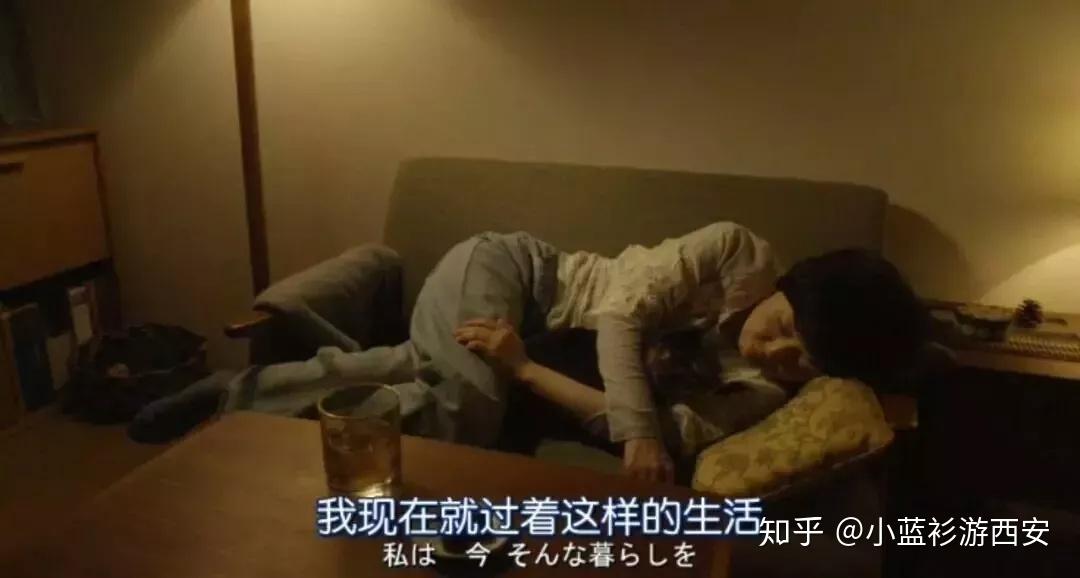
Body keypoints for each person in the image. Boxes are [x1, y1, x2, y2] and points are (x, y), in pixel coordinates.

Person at [135, 223, 926, 483]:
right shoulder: (733, 252)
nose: (774, 347)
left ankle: (236, 393)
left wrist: (524, 369)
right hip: (510, 275)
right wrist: (637, 431)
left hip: (530, 348)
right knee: (467, 411)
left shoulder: (762, 392)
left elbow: (665, 433)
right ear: (786, 284)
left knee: (441, 381)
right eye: (785, 322)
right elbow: (618, 317)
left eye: (802, 359)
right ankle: (243, 412)